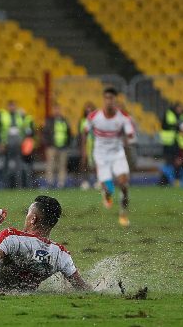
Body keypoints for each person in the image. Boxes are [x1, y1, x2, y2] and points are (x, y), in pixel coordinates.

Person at [81, 87, 135, 227]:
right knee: (108, 187)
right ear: (103, 100)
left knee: (124, 184)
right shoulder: (94, 116)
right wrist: (85, 152)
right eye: (107, 98)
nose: (109, 101)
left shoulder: (123, 117)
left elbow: (130, 136)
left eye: (112, 98)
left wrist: (128, 141)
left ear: (115, 100)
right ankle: (107, 193)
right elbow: (85, 132)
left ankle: (123, 215)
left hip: (117, 153)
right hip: (101, 154)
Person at [0, 100, 34, 188]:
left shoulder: (20, 116)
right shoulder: (4, 116)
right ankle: (6, 185)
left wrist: (24, 115)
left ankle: (19, 185)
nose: (12, 108)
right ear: (8, 107)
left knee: (18, 164)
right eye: (10, 106)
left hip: (18, 143)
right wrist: (2, 143)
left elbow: (27, 126)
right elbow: (1, 130)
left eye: (13, 106)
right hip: (7, 143)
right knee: (6, 165)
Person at [43, 104, 73, 188]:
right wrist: (47, 145)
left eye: (58, 109)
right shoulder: (49, 120)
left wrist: (68, 144)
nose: (57, 111)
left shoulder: (64, 120)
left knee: (62, 165)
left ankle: (61, 183)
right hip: (52, 146)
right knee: (50, 165)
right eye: (55, 109)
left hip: (63, 147)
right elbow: (45, 133)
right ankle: (50, 183)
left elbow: (69, 133)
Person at [159, 103, 183, 185]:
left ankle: (173, 180)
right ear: (176, 107)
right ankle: (166, 180)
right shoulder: (170, 114)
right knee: (170, 162)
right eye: (179, 108)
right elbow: (166, 125)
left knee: (176, 161)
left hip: (177, 143)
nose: (180, 110)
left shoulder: (181, 116)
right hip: (169, 143)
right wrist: (177, 125)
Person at [77, 102, 96, 189]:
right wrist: (83, 147)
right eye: (87, 111)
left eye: (90, 111)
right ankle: (85, 181)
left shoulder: (96, 120)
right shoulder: (83, 121)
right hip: (87, 144)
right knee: (85, 162)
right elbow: (82, 135)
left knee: (96, 163)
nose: (89, 113)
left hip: (96, 144)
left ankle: (98, 181)